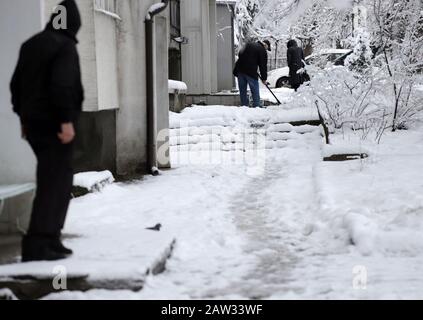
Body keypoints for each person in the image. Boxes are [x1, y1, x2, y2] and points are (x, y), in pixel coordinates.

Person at [10, 0, 84, 262]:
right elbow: (62, 86)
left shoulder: (31, 44)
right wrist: (66, 121)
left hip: (34, 126)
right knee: (56, 183)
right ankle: (39, 243)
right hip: (55, 126)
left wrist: (23, 119)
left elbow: (16, 86)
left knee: (52, 180)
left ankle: (50, 238)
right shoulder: (63, 46)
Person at [233, 40, 271, 108]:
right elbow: (263, 66)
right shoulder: (262, 50)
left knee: (242, 91)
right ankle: (257, 106)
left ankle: (244, 106)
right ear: (265, 45)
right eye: (267, 48)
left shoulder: (248, 44)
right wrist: (264, 79)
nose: (266, 50)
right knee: (254, 90)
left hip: (240, 70)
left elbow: (240, 54)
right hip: (250, 72)